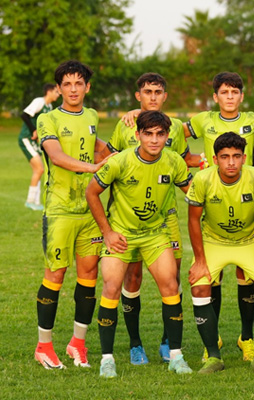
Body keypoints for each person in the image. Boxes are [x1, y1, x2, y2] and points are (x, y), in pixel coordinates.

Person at [86, 111, 193, 378]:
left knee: (170, 284)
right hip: (121, 234)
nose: (154, 140)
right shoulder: (120, 161)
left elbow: (192, 192)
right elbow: (92, 191)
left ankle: (176, 357)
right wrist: (107, 232)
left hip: (155, 234)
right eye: (148, 134)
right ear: (138, 135)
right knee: (111, 285)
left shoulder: (174, 162)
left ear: (167, 136)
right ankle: (107, 359)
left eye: (160, 134)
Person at [34, 60, 110, 370]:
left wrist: (120, 156)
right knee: (56, 274)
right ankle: (44, 346)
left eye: (79, 83)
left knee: (89, 276)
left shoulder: (91, 115)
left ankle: (77, 343)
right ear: (60, 88)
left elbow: (97, 147)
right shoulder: (47, 119)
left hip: (89, 210)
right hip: (60, 209)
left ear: (87, 87)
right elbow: (57, 155)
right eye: (67, 84)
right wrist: (94, 168)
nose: (74, 89)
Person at [185, 132, 254, 374]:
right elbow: (193, 221)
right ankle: (213, 356)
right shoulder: (202, 179)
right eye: (225, 157)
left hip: (248, 241)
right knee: (199, 285)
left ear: (244, 157)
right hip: (213, 242)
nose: (231, 163)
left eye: (236, 156)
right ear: (215, 159)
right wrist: (200, 262)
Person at [19, 83, 60, 210]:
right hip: (26, 138)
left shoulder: (49, 106)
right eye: (56, 92)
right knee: (39, 169)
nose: (58, 94)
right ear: (49, 92)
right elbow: (24, 115)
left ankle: (35, 202)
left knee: (39, 170)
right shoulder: (39, 102)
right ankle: (30, 201)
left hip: (34, 141)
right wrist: (33, 131)